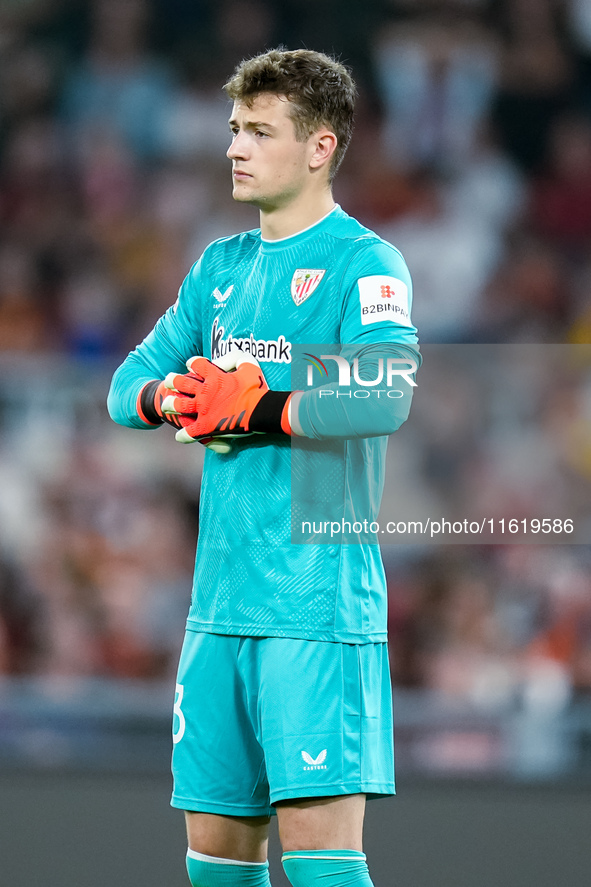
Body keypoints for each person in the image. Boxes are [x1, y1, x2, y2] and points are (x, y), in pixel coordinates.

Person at [108, 48, 419, 887]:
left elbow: (384, 394)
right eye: (233, 129)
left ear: (319, 147)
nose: (234, 148)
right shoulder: (220, 269)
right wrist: (180, 400)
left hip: (314, 609)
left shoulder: (365, 263)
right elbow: (122, 386)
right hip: (218, 609)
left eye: (258, 131)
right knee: (215, 864)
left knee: (321, 862)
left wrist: (261, 405)